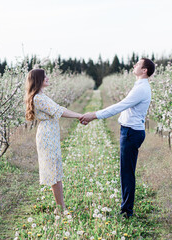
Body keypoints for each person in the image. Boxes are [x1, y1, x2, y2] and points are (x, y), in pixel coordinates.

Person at [80, 58, 155, 218]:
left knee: (127, 172)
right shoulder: (140, 86)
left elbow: (120, 106)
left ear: (145, 71)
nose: (134, 65)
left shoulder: (141, 89)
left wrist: (94, 115)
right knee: (126, 171)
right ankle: (126, 208)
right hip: (131, 131)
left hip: (131, 133)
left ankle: (126, 211)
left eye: (138, 64)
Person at [25, 68, 82, 213]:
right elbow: (59, 111)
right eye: (45, 76)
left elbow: (59, 108)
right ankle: (60, 208)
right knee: (53, 171)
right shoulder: (38, 98)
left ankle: (61, 206)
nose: (48, 78)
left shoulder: (41, 96)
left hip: (50, 135)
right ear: (38, 80)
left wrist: (78, 115)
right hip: (47, 136)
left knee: (55, 170)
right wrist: (79, 116)